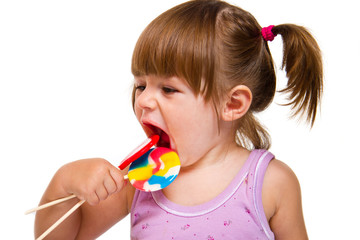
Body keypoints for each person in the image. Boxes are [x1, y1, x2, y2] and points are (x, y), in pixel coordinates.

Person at [35, 0, 322, 239]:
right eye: (141, 85)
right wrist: (64, 184)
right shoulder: (142, 177)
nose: (144, 100)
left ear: (232, 103)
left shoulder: (270, 183)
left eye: (169, 89)